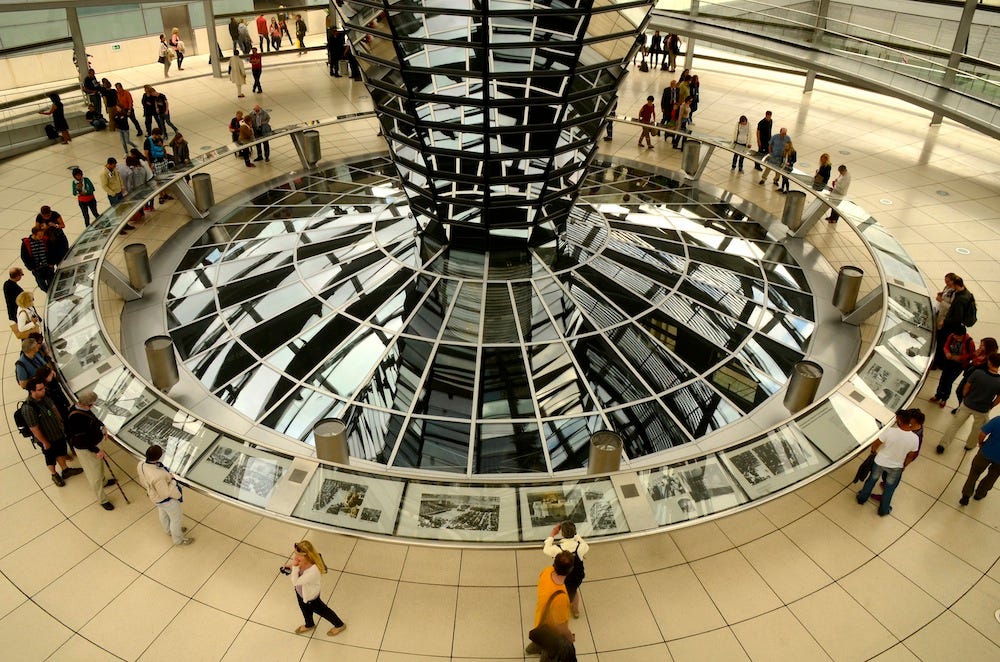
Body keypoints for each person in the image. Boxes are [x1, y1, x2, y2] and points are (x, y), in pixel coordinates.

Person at [856, 410, 919, 516]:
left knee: (872, 480)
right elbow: (911, 455)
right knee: (889, 488)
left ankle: (862, 498)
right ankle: (883, 510)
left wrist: (873, 452)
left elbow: (875, 444)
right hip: (896, 466)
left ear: (899, 420)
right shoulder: (914, 438)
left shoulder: (889, 431)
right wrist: (904, 465)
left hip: (880, 461)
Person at [22, 377, 83, 487]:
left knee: (60, 451)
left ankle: (65, 470)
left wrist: (61, 422)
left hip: (57, 432)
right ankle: (54, 474)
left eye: (43, 388)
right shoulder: (28, 408)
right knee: (50, 457)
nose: (43, 391)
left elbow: (54, 408)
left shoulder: (45, 396)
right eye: (40, 389)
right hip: (46, 438)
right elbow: (34, 428)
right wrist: (45, 442)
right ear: (32, 391)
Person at [937, 353, 1000, 454]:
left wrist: (965, 397)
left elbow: (967, 386)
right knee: (977, 429)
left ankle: (943, 445)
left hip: (967, 404)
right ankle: (969, 445)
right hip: (982, 410)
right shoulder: (999, 381)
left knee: (954, 425)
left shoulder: (978, 373)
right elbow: (999, 398)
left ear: (989, 362)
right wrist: (991, 405)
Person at [283, 540, 347, 636]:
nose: (295, 557)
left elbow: (295, 582)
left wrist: (295, 567)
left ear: (307, 556)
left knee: (324, 611)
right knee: (304, 610)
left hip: (310, 597)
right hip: (301, 593)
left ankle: (339, 625)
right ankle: (309, 624)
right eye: (295, 554)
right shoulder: (303, 561)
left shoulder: (313, 571)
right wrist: (290, 566)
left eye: (299, 555)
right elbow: (296, 567)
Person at [66, 391, 115, 511]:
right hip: (87, 448)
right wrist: (96, 450)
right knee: (94, 475)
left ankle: (104, 482)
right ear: (88, 405)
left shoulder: (82, 408)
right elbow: (81, 439)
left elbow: (92, 418)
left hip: (95, 443)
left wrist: (101, 426)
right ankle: (102, 499)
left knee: (99, 466)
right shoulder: (76, 418)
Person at [137, 444, 194, 545]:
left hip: (154, 496)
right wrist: (172, 480)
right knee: (176, 519)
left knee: (163, 513)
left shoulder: (141, 464)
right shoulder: (157, 476)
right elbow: (165, 493)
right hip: (166, 500)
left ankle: (168, 530)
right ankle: (178, 540)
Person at [525, 550, 575, 656]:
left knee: (539, 639)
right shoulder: (560, 597)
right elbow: (560, 626)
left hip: (540, 620)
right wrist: (570, 637)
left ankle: (530, 649)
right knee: (548, 652)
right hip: (551, 632)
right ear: (570, 570)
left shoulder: (547, 571)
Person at [543, 522, 589, 619]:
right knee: (574, 592)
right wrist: (577, 536)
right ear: (575, 532)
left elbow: (546, 549)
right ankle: (575, 610)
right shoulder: (580, 547)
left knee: (559, 592)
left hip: (561, 576)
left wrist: (552, 534)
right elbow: (585, 545)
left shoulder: (557, 549)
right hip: (576, 576)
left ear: (561, 534)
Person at [930, 325, 975, 408]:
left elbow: (972, 355)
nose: (954, 336)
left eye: (956, 335)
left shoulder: (969, 342)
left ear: (961, 335)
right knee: (943, 379)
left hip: (959, 365)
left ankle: (944, 398)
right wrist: (947, 352)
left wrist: (960, 357)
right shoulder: (951, 336)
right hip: (948, 361)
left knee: (949, 381)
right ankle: (938, 395)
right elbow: (946, 346)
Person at [960, 414, 1000, 505]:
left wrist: (981, 444)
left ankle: (966, 496)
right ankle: (980, 494)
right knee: (992, 476)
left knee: (974, 472)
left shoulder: (998, 420)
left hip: (986, 452)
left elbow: (982, 433)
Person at [952, 337, 998, 413]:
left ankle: (962, 408)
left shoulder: (989, 359)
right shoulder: (980, 353)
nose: (980, 346)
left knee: (964, 393)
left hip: (974, 379)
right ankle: (961, 406)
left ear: (988, 347)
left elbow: (982, 369)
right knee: (959, 392)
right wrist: (975, 356)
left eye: (982, 345)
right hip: (968, 375)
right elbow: (972, 360)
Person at [21, 225, 54, 292]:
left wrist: (51, 263)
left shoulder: (45, 240)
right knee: (42, 285)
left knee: (52, 283)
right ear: (34, 234)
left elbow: (52, 251)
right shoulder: (26, 243)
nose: (41, 237)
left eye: (42, 235)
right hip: (37, 269)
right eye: (39, 236)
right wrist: (31, 267)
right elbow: (24, 257)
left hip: (47, 267)